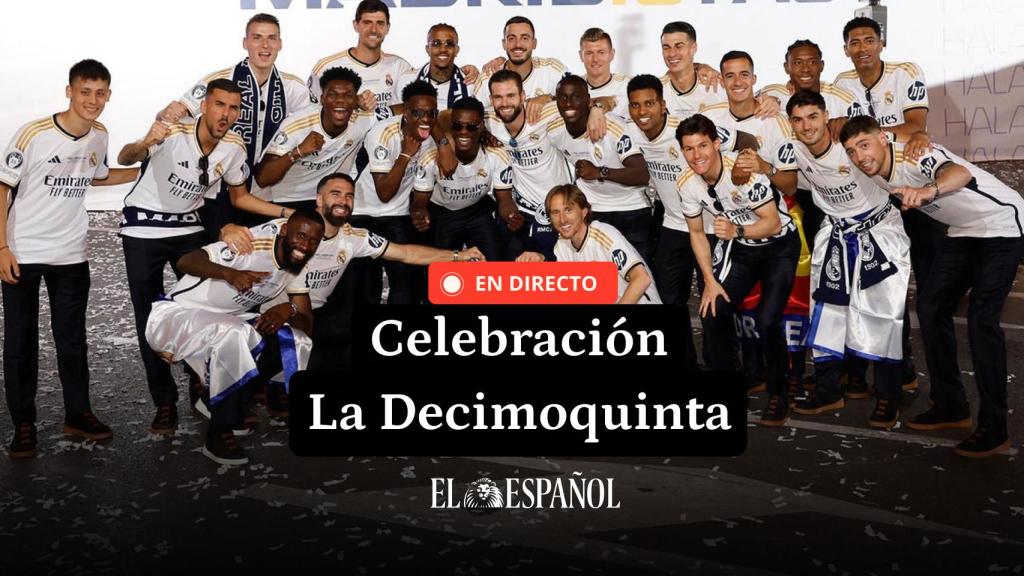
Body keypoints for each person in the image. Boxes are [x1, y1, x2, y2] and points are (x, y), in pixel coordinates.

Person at [117, 78, 295, 435]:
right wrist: (145, 141)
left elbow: (241, 198)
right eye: (219, 105)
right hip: (144, 231)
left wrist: (288, 215)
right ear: (204, 105)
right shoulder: (172, 131)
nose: (225, 114)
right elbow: (126, 157)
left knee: (207, 309)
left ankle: (204, 386)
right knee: (149, 317)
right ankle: (164, 402)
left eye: (233, 108)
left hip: (189, 231)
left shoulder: (233, 146)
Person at [840, 115, 1024, 457]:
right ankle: (951, 404)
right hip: (962, 232)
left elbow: (960, 174)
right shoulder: (873, 171)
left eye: (864, 145)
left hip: (1001, 227)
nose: (859, 156)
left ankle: (995, 428)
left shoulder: (915, 154)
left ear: (882, 138)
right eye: (851, 151)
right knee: (929, 307)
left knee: (982, 321)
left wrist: (928, 190)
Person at [1, 59, 140, 458]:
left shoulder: (99, 134)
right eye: (85, 92)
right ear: (69, 91)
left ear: (108, 96)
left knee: (72, 341)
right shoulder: (34, 134)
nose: (92, 100)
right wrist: (2, 248)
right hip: (23, 252)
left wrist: (142, 171)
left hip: (71, 255)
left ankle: (77, 415)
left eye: (100, 93)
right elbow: (2, 189)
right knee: (20, 344)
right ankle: (23, 425)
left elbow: (99, 176)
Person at [226, 174, 485, 371]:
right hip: (273, 316)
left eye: (349, 195)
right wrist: (226, 229)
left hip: (317, 315)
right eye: (335, 194)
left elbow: (405, 253)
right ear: (319, 199)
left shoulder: (353, 237)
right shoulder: (287, 227)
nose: (343, 200)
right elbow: (237, 243)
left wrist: (457, 256)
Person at [145, 210, 324, 465]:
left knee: (296, 341)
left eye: (314, 241)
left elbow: (306, 324)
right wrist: (229, 273)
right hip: (178, 317)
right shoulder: (251, 245)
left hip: (228, 321)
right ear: (285, 231)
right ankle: (219, 432)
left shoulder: (298, 264)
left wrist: (289, 309)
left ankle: (216, 401)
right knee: (235, 334)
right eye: (301, 236)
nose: (306, 245)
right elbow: (186, 261)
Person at [783, 90, 910, 429]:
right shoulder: (792, 147)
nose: (806, 126)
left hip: (880, 233)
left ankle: (888, 396)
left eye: (813, 117)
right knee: (826, 315)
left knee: (884, 316)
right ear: (791, 124)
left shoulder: (850, 142)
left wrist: (920, 134)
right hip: (836, 236)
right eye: (798, 119)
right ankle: (828, 390)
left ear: (826, 116)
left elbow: (895, 138)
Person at [833, 15, 939, 394]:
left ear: (881, 43)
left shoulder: (906, 72)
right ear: (845, 49)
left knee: (923, 288)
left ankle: (920, 370)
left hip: (914, 191)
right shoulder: (841, 85)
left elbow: (915, 127)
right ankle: (888, 366)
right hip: (874, 197)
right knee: (877, 285)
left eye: (868, 39)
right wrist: (874, 142)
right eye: (854, 42)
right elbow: (839, 136)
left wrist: (871, 139)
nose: (861, 48)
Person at [677, 114, 800, 425]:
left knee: (767, 319)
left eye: (703, 146)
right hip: (741, 248)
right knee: (712, 308)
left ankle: (778, 392)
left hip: (779, 246)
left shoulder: (744, 171)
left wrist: (738, 232)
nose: (697, 155)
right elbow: (695, 233)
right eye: (689, 149)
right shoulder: (687, 183)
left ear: (717, 144)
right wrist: (709, 280)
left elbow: (771, 222)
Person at [157, 13, 310, 231]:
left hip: (263, 192)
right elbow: (173, 116)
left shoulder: (293, 87)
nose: (265, 45)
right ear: (245, 43)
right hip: (215, 190)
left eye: (271, 38)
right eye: (257, 37)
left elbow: (315, 122)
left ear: (280, 44)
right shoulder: (220, 80)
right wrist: (165, 112)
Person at [347, 80, 440, 307]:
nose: (425, 119)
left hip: (396, 215)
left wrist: (419, 210)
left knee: (405, 286)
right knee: (367, 290)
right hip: (363, 213)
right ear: (406, 112)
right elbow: (384, 193)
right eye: (418, 113)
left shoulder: (429, 140)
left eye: (431, 113)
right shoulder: (382, 133)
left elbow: (419, 188)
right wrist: (406, 155)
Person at [547, 75, 652, 258]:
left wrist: (599, 172)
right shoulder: (554, 131)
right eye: (563, 97)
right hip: (594, 210)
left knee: (639, 275)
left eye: (576, 97)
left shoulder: (610, 127)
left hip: (631, 208)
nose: (569, 103)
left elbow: (641, 174)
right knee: (600, 278)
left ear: (588, 100)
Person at [255, 67, 377, 214]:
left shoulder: (364, 120)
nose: (340, 100)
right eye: (332, 95)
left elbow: (402, 110)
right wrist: (298, 152)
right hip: (281, 200)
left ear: (355, 100)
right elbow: (263, 178)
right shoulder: (298, 125)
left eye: (348, 96)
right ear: (322, 99)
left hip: (322, 200)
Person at [411, 97, 513, 261]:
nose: (464, 132)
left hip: (476, 211)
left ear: (482, 127)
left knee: (495, 263)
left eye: (471, 127)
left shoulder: (496, 154)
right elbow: (419, 203)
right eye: (457, 126)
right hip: (442, 213)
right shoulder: (431, 158)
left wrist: (511, 215)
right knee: (438, 272)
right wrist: (418, 213)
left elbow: (505, 199)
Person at [484, 70, 571, 262]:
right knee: (512, 277)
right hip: (518, 212)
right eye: (498, 97)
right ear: (490, 99)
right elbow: (447, 116)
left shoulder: (545, 112)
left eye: (511, 96)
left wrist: (598, 107)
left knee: (553, 277)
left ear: (523, 96)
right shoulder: (487, 120)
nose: (505, 103)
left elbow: (581, 100)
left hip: (554, 211)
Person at [700, 51, 798, 196]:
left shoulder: (776, 122)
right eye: (730, 76)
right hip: (723, 208)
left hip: (767, 206)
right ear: (722, 81)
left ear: (754, 79)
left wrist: (764, 167)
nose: (738, 82)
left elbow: (790, 187)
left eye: (744, 75)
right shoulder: (707, 117)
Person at [547, 184, 660, 305]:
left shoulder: (604, 234)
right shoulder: (561, 246)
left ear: (584, 212)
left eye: (568, 210)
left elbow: (642, 279)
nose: (562, 219)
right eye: (555, 212)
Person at [308, 0, 412, 119]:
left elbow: (415, 106)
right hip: (342, 138)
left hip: (389, 137)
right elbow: (309, 112)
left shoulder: (400, 67)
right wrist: (353, 101)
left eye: (380, 23)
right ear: (355, 25)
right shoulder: (326, 67)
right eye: (367, 23)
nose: (374, 29)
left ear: (388, 28)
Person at [474, 15, 567, 124]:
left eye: (524, 38)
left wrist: (549, 97)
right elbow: (471, 116)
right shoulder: (487, 77)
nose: (518, 44)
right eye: (511, 39)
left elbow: (578, 97)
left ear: (534, 43)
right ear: (504, 44)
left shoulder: (552, 69)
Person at [396, 23, 476, 111]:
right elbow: (395, 119)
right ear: (427, 49)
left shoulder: (470, 84)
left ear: (456, 50)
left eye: (449, 44)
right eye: (436, 43)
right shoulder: (407, 80)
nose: (443, 49)